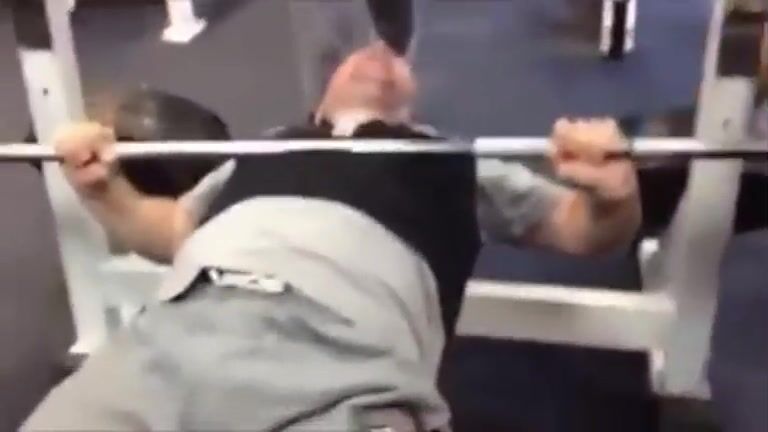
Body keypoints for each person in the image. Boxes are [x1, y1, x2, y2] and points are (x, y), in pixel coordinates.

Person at [23, 42, 640, 431]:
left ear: (412, 101)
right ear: (322, 95)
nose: (378, 55)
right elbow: (170, 229)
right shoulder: (266, 148)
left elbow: (581, 231)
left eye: (394, 58)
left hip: (340, 365)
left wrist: (614, 195)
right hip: (171, 338)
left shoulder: (449, 159)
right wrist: (102, 188)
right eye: (358, 54)